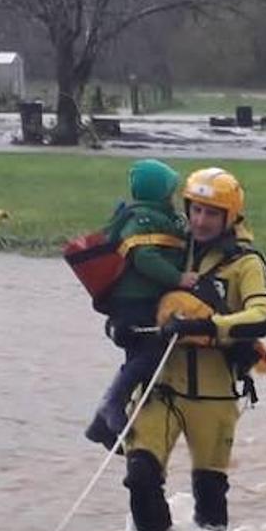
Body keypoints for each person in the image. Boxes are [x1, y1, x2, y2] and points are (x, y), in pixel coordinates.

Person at [122, 167, 266, 531]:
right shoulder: (169, 250)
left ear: (230, 217)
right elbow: (131, 294)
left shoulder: (246, 264)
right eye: (196, 210)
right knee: (139, 476)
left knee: (210, 494)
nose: (201, 221)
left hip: (214, 396)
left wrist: (208, 325)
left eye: (212, 213)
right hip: (160, 389)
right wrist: (120, 325)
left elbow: (263, 315)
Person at [84, 159, 198, 451]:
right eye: (169, 192)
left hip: (148, 302)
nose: (173, 198)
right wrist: (178, 278)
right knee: (147, 356)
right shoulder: (142, 220)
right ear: (159, 193)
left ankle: (102, 423)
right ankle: (112, 405)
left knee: (142, 359)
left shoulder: (162, 218)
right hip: (134, 303)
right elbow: (145, 257)